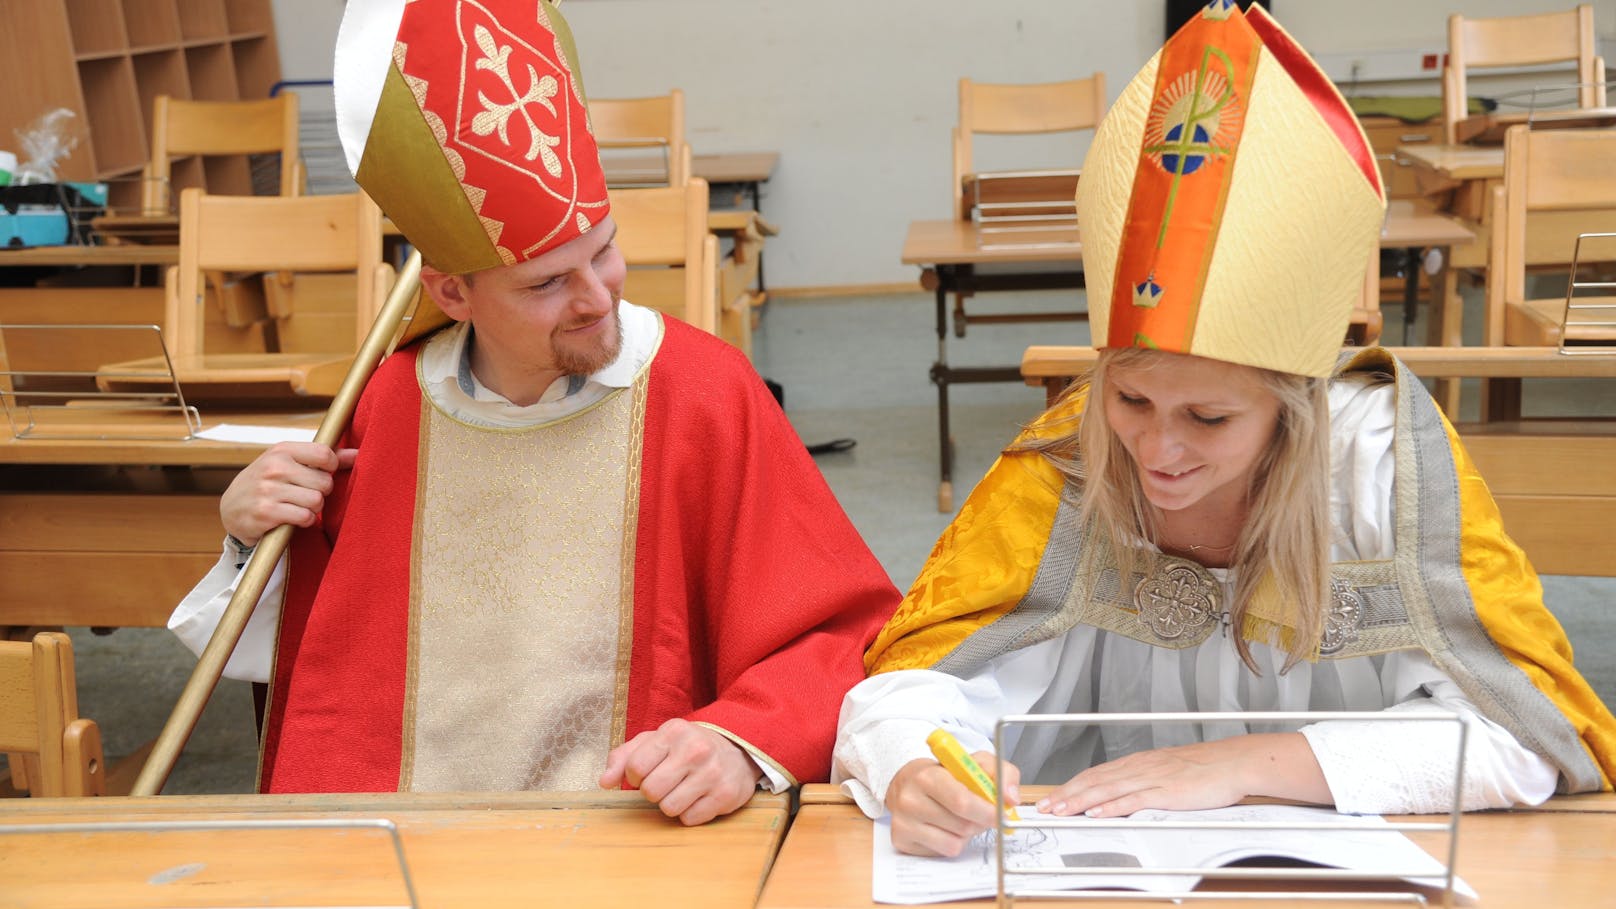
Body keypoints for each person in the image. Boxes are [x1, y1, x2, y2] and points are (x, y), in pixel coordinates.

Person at [833, 2, 1616, 857]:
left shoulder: (1383, 463)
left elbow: (1525, 733)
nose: (1157, 451)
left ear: (1295, 406)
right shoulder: (1070, 458)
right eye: (1131, 401)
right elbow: (906, 691)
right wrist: (913, 767)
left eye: (1208, 416)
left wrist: (1249, 763)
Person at [169, 0, 900, 825]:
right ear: (451, 292)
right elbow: (305, 655)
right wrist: (248, 535)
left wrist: (738, 738)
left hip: (627, 833)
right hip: (405, 839)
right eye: (548, 283)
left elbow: (841, 634)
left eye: (605, 250)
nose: (598, 298)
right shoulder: (394, 402)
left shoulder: (703, 391)